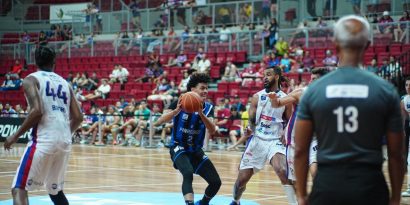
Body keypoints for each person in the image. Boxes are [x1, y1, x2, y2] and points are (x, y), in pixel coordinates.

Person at [294, 15, 404, 205]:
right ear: (368, 45)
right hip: (370, 188)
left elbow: (300, 150)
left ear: (335, 45)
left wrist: (302, 196)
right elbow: (396, 154)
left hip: (327, 187)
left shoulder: (314, 91)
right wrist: (395, 198)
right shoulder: (386, 91)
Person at [3, 46, 83, 205]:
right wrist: (65, 134)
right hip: (65, 140)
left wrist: (15, 135)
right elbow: (79, 117)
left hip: (44, 139)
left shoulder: (31, 79)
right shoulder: (64, 83)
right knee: (55, 191)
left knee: (18, 188)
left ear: (35, 61)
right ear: (54, 61)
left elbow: (37, 111)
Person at [153, 73, 221, 205]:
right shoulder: (178, 102)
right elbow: (158, 122)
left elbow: (212, 130)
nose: (205, 91)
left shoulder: (208, 108)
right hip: (179, 147)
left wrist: (201, 114)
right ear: (192, 89)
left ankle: (203, 203)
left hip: (196, 150)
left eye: (207, 88)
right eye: (202, 88)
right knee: (188, 173)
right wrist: (175, 112)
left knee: (216, 182)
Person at [230, 66, 294, 205]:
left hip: (275, 140)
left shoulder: (285, 99)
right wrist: (249, 129)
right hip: (257, 140)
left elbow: (289, 120)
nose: (265, 77)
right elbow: (252, 122)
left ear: (276, 77)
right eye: (264, 75)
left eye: (269, 74)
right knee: (241, 181)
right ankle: (236, 200)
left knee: (282, 170)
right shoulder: (257, 97)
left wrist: (285, 131)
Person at [268, 67, 328, 184]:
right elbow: (277, 104)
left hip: (314, 140)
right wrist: (273, 99)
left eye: (314, 79)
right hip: (295, 142)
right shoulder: (300, 93)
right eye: (311, 79)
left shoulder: (329, 96)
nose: (310, 82)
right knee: (295, 181)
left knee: (316, 173)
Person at [401, 77, 410, 197]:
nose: (408, 87)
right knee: (408, 159)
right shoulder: (403, 99)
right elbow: (403, 117)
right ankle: (409, 187)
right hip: (408, 129)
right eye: (407, 85)